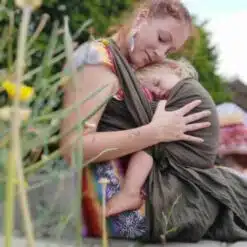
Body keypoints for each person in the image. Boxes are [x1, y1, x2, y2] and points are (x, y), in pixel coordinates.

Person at [61, 0, 211, 239]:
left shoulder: (125, 67)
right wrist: (155, 133)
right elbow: (73, 147)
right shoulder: (98, 62)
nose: (161, 54)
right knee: (219, 203)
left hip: (132, 198)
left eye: (169, 50)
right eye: (162, 38)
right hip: (107, 208)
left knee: (221, 195)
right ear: (142, 17)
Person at [106, 58, 205, 216]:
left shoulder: (152, 98)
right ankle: (130, 192)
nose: (159, 93)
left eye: (165, 97)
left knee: (153, 143)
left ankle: (131, 192)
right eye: (157, 83)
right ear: (173, 68)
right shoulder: (135, 89)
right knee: (152, 141)